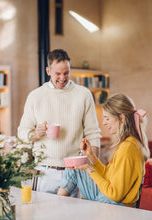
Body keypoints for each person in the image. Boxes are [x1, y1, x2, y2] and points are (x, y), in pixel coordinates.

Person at [18, 49, 101, 194]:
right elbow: (22, 132)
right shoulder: (35, 96)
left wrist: (93, 169)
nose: (62, 78)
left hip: (74, 172)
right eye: (58, 74)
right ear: (48, 71)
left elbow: (93, 134)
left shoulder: (83, 95)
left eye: (66, 73)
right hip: (44, 172)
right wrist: (36, 134)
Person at [57, 93, 150, 207]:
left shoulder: (127, 148)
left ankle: (57, 206)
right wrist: (91, 156)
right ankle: (58, 206)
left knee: (74, 170)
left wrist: (88, 169)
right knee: (74, 169)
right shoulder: (130, 142)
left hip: (115, 203)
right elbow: (109, 177)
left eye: (107, 118)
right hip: (114, 200)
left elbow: (115, 194)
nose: (104, 123)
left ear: (121, 118)